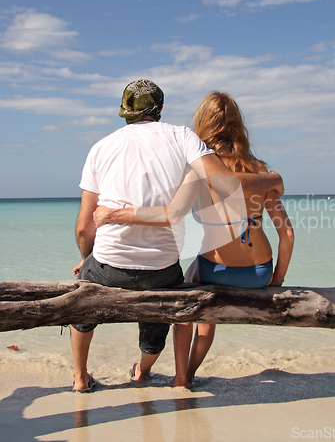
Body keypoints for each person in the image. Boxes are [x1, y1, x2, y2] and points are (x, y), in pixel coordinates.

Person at [71, 81, 284, 392]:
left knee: (83, 302)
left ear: (124, 111)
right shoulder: (182, 137)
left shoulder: (100, 148)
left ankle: (79, 379)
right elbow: (225, 185)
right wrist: (272, 179)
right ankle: (143, 371)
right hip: (162, 270)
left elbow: (83, 226)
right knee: (164, 306)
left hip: (108, 265)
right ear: (160, 109)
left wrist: (85, 257)